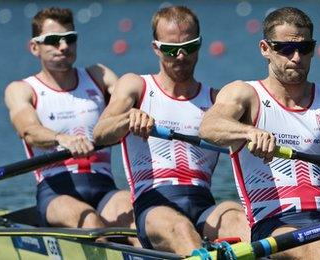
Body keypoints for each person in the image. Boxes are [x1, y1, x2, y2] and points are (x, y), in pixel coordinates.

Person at [199, 7, 320, 260]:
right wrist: (249, 132)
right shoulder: (247, 94)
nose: (296, 57)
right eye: (285, 48)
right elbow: (209, 126)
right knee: (314, 250)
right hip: (273, 227)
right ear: (265, 49)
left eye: (305, 48)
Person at [92, 6, 249, 255]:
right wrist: (127, 118)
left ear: (200, 44)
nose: (180, 56)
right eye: (169, 49)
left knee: (243, 223)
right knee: (181, 229)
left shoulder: (218, 100)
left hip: (204, 205)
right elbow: (100, 133)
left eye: (189, 47)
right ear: (156, 48)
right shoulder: (137, 87)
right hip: (154, 205)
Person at [4, 7, 137, 242]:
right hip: (55, 191)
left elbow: (127, 101)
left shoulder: (99, 75)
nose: (64, 46)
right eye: (53, 40)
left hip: (103, 187)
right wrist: (61, 139)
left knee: (137, 217)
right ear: (34, 47)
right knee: (90, 221)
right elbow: (29, 131)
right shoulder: (22, 89)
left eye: (70, 39)